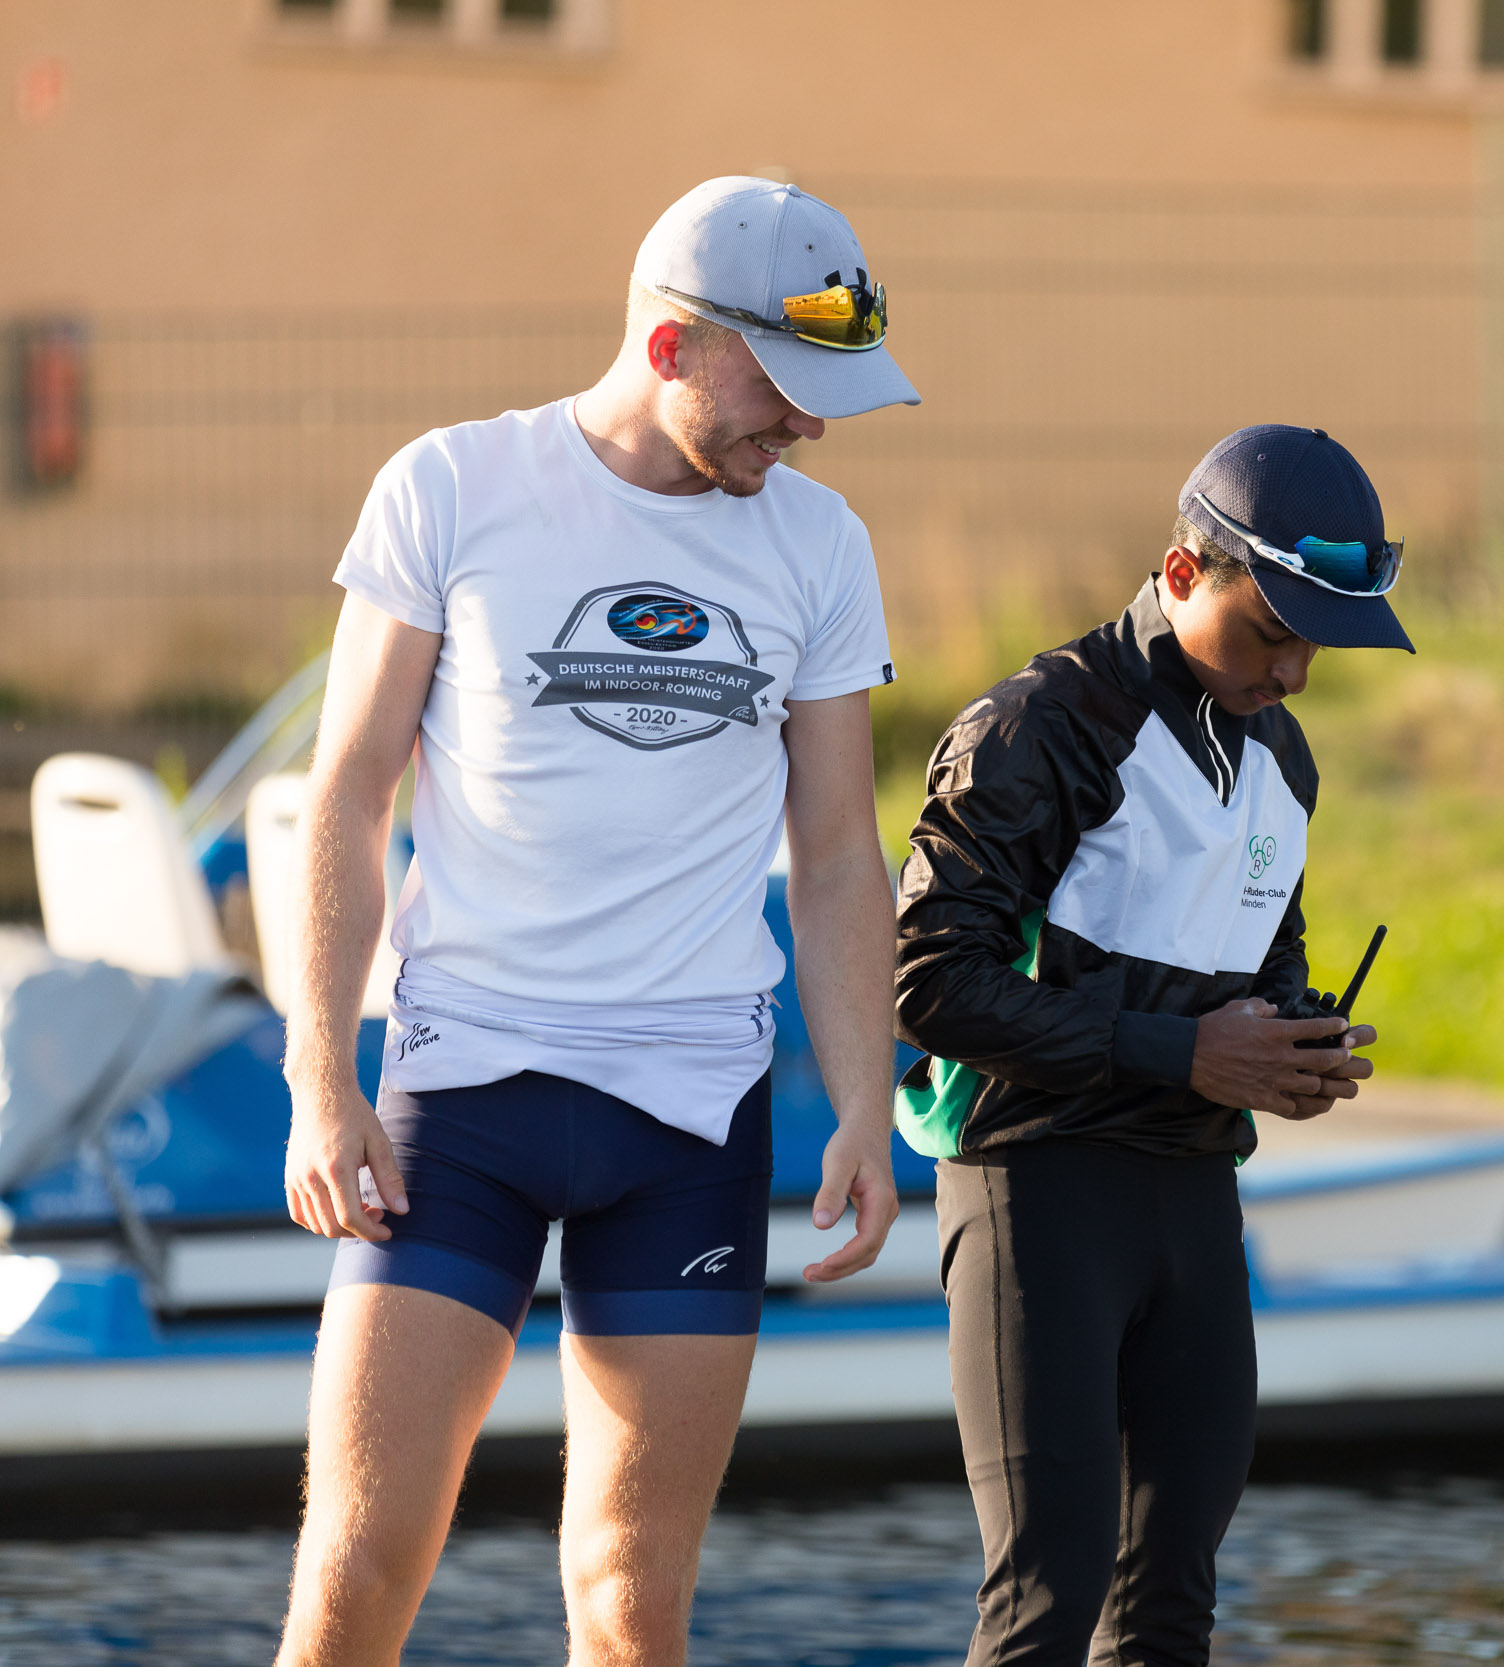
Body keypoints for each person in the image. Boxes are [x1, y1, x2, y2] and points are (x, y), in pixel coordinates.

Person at [274, 177, 915, 1667]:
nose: (809, 426)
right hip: (462, 1103)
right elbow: (348, 792)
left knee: (631, 1607)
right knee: (360, 1568)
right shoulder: (452, 485)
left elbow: (834, 858)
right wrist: (321, 1072)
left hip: (689, 1122)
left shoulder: (820, 546)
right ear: (673, 343)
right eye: (785, 386)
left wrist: (870, 1107)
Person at [892, 424, 1414, 1667]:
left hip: (1190, 1196)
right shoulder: (1035, 724)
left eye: (1315, 645)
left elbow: (1262, 958)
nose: (1291, 671)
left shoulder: (1284, 756)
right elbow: (924, 982)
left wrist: (1294, 1047)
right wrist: (1181, 1050)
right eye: (1270, 629)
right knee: (1044, 1604)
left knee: (1171, 1608)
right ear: (1182, 575)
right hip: (1038, 1187)